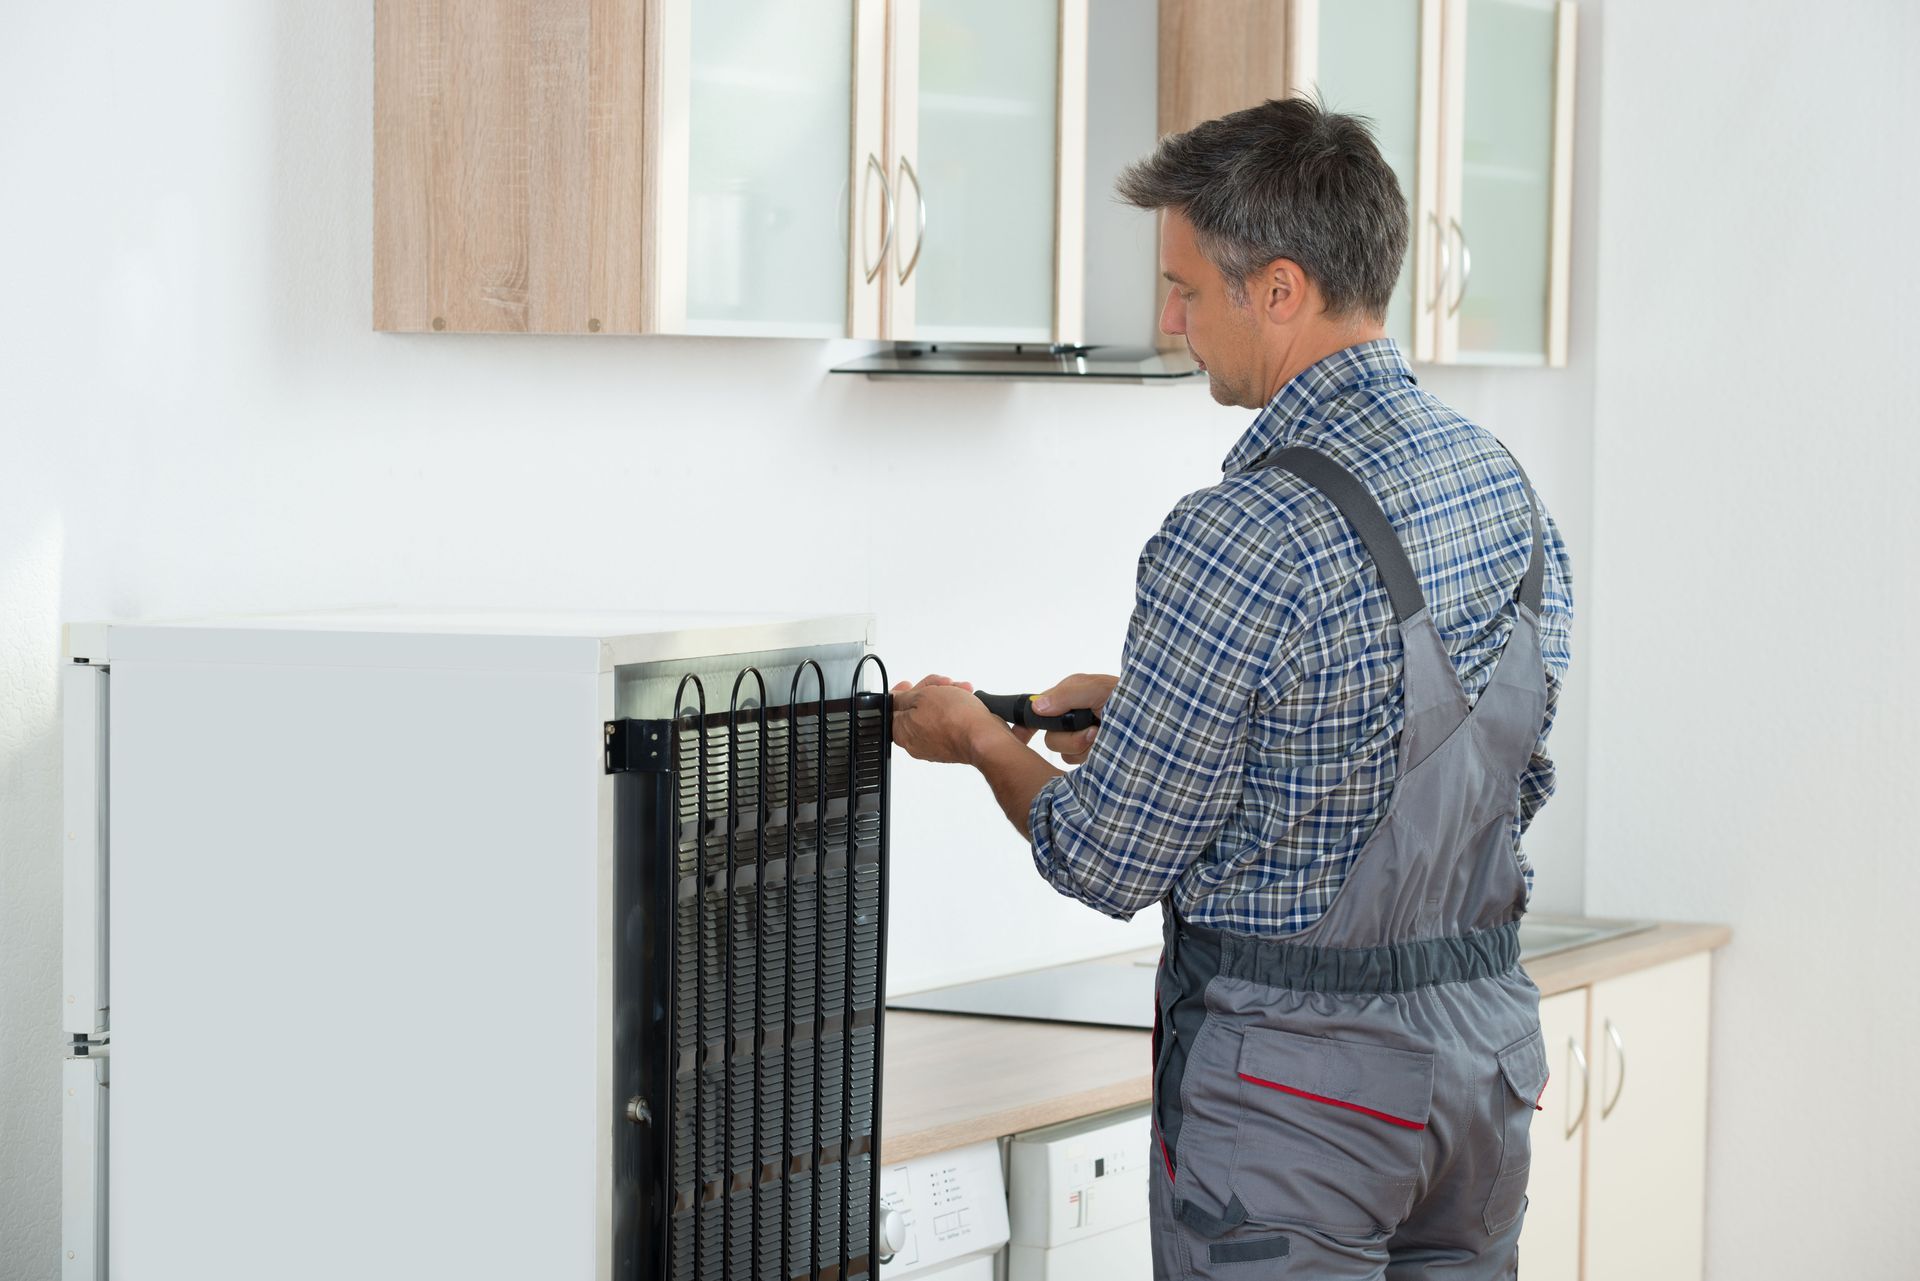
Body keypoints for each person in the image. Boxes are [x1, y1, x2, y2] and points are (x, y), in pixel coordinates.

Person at [889, 96, 1573, 1280]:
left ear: (1281, 290)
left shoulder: (1239, 533)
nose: (1171, 320)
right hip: (1480, 1081)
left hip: (1301, 1109)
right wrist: (1178, 719)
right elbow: (1498, 769)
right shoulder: (1500, 486)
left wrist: (978, 742)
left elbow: (1105, 860)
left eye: (1188, 288)